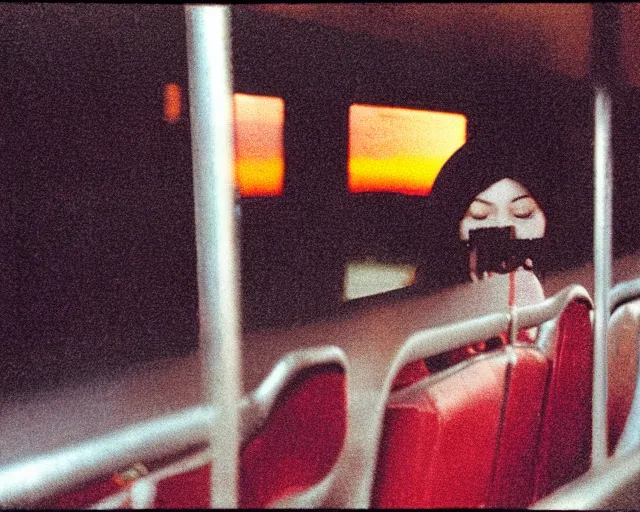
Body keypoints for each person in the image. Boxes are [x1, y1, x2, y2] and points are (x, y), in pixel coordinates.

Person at [393, 134, 553, 387]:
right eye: (479, 216)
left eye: (523, 213)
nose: (502, 229)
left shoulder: (564, 309)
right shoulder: (414, 332)